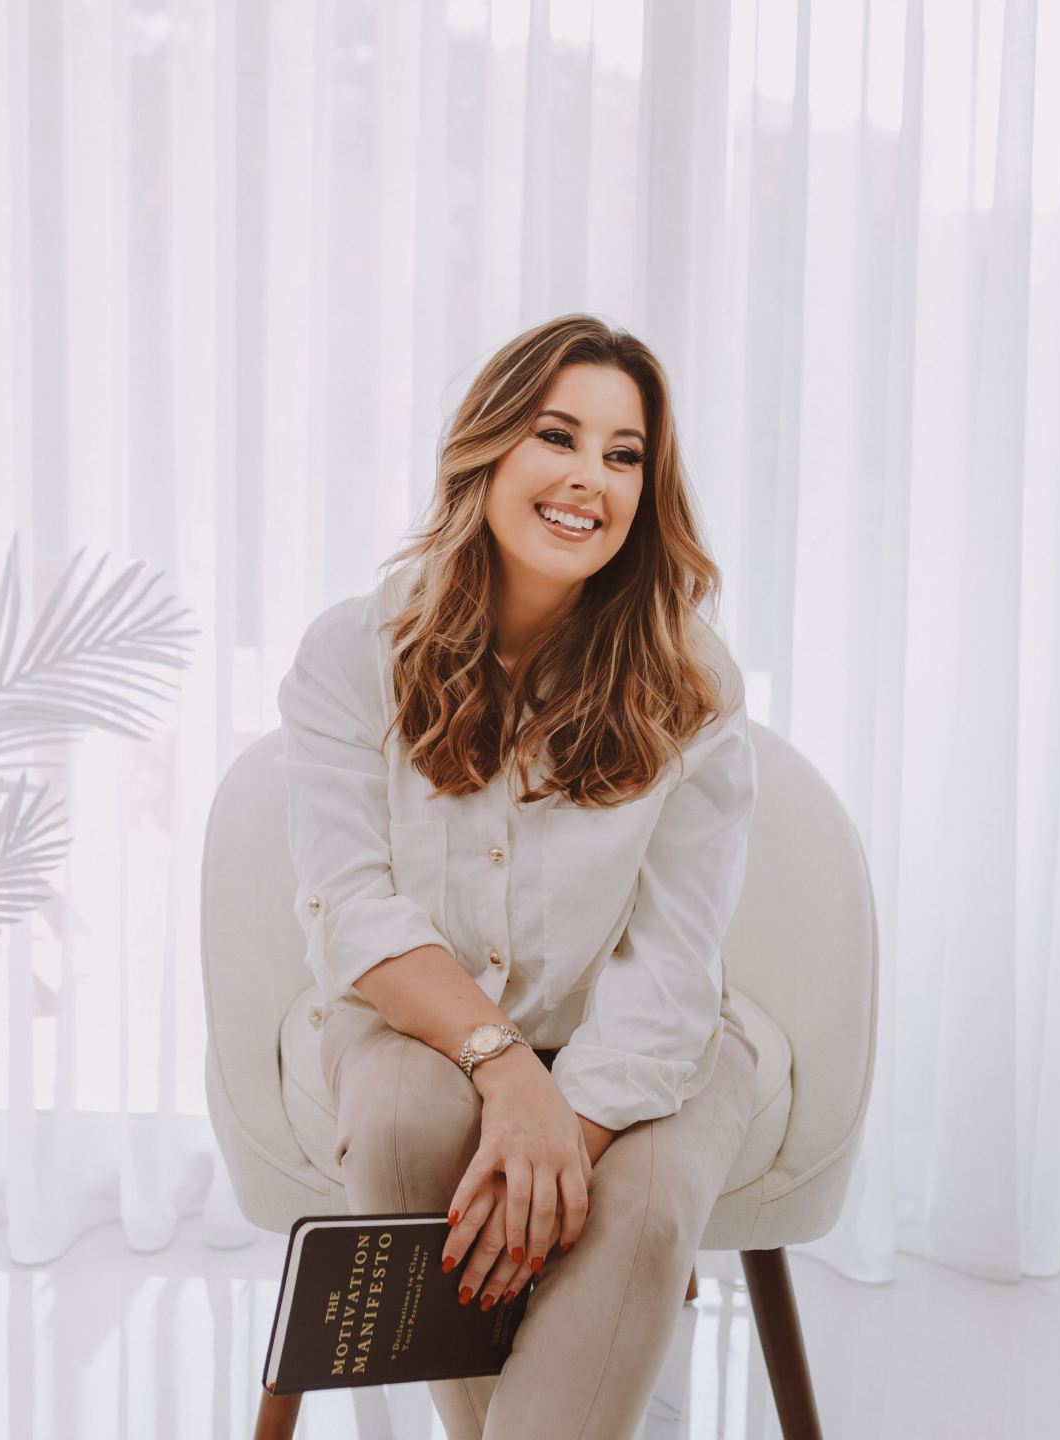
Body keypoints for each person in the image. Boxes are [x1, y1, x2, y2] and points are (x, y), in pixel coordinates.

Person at [275, 313, 761, 1437]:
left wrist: (560, 1131)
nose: (589, 476)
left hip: (647, 1030)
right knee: (403, 1119)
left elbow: (672, 959)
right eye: (556, 435)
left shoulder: (692, 682)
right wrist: (508, 1072)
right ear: (486, 449)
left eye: (623, 454)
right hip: (414, 1020)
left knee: (645, 1208)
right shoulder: (355, 652)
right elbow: (351, 908)